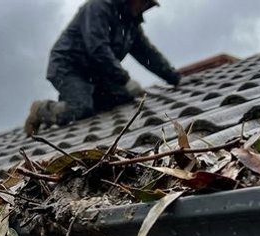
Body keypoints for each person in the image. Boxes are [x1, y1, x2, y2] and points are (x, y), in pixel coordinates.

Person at [24, 0, 182, 136]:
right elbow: (97, 48)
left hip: (95, 73)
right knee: (82, 108)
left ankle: (75, 98)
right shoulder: (99, 7)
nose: (144, 5)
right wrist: (124, 78)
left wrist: (174, 77)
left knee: (124, 96)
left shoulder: (130, 25)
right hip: (67, 66)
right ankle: (42, 110)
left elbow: (148, 54)